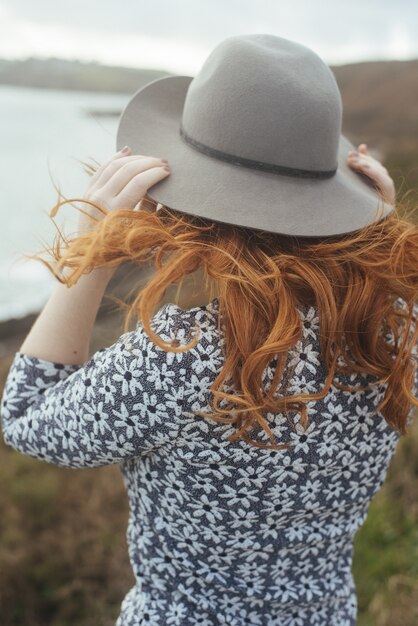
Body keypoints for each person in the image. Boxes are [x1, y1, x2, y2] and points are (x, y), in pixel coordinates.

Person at [1, 33, 417, 626]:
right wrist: (377, 227)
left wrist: (90, 248)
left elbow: (28, 419)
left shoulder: (186, 354)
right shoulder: (394, 334)